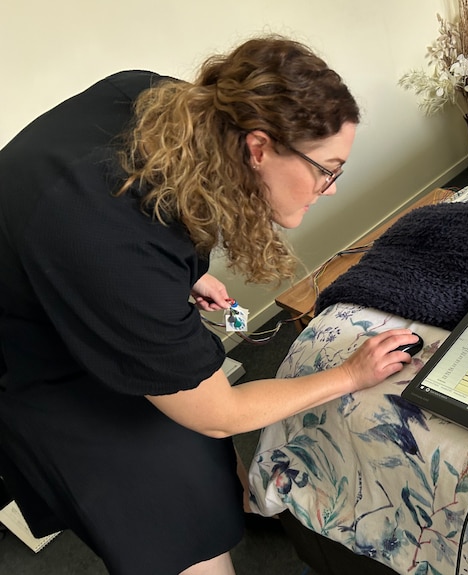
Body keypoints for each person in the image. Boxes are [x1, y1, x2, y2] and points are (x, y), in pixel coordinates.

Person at [0, 35, 419, 575]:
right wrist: (350, 374)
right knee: (176, 528)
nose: (331, 188)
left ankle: (237, 504)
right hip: (52, 375)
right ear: (261, 147)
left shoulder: (176, 104)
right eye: (327, 169)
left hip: (74, 273)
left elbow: (156, 214)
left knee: (202, 462)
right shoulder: (109, 246)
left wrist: (179, 276)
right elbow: (220, 415)